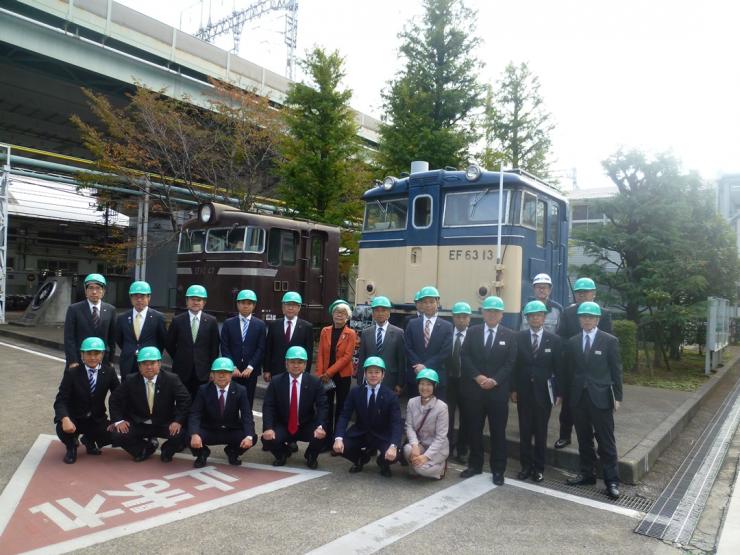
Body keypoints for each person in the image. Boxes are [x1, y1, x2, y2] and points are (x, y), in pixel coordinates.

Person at [564, 302, 623, 499]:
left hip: (602, 396)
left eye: (591, 316)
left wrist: (618, 397)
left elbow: (616, 371)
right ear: (579, 319)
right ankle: (587, 473)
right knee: (583, 437)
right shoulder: (573, 341)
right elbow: (570, 371)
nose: (587, 319)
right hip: (579, 396)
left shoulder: (609, 341)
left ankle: (612, 480)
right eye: (584, 316)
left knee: (606, 439)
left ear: (597, 319)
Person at [460, 296, 517, 486]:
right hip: (475, 390)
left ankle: (498, 470)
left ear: (502, 315)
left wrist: (495, 380)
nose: (492, 314)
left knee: (498, 432)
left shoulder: (510, 335)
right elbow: (464, 356)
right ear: (482, 313)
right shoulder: (473, 332)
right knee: (474, 430)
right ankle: (475, 464)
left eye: (496, 311)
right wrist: (478, 377)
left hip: (497, 392)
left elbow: (510, 363)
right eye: (488, 311)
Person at [555, 277, 613, 450]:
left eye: (585, 292)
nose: (582, 296)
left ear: (593, 294)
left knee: (595, 403)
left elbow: (608, 340)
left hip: (595, 368)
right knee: (568, 403)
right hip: (572, 365)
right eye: (579, 293)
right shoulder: (568, 312)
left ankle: (596, 437)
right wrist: (576, 345)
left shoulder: (604, 313)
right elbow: (561, 336)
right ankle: (565, 435)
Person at [109, 346, 191, 462]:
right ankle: (144, 449)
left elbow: (185, 400)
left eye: (152, 363)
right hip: (139, 422)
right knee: (116, 434)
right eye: (144, 364)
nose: (149, 367)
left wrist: (177, 421)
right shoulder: (130, 380)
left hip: (163, 422)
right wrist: (118, 421)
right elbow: (114, 400)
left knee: (181, 434)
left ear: (159, 364)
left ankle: (166, 451)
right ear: (139, 366)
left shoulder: (172, 379)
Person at [512, 300, 563, 482]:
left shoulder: (554, 340)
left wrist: (559, 393)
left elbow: (559, 368)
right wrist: (514, 389)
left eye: (539, 315)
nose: (535, 318)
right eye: (532, 315)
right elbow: (514, 366)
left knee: (541, 431)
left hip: (544, 392)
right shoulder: (518, 337)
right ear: (527, 318)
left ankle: (539, 468)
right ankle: (525, 466)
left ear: (544, 317)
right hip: (524, 391)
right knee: (525, 431)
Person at [53, 337, 120, 463]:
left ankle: (88, 440)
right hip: (75, 419)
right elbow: (60, 400)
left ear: (102, 354)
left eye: (97, 353)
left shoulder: (109, 372)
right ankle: (71, 446)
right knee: (62, 428)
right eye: (89, 353)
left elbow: (119, 396)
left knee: (118, 434)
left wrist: (119, 419)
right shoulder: (72, 373)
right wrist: (65, 418)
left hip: (96, 420)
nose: (93, 357)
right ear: (82, 354)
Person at [333, 357, 403, 477]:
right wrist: (338, 438)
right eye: (370, 372)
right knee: (340, 446)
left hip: (382, 434)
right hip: (361, 432)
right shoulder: (355, 392)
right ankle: (360, 459)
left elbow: (396, 423)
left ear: (383, 375)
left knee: (395, 454)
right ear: (365, 373)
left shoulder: (391, 396)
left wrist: (393, 446)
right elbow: (344, 415)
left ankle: (383, 462)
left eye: (377, 372)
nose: (373, 375)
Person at [261, 346, 328, 469]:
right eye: (292, 362)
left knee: (322, 434)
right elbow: (268, 406)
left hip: (305, 423)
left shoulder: (314, 382)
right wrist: (268, 428)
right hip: (284, 424)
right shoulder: (276, 381)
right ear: (286, 363)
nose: (296, 365)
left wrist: (320, 426)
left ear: (305, 364)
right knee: (267, 439)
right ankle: (282, 454)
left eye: (299, 362)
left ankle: (311, 456)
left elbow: (322, 406)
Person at [189, 357, 255, 468]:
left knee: (252, 436)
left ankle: (232, 452)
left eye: (225, 373)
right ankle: (202, 454)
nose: (221, 376)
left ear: (231, 374)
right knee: (189, 434)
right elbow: (195, 413)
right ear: (212, 374)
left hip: (230, 429)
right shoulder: (203, 390)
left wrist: (249, 436)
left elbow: (246, 415)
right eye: (218, 372)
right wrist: (194, 434)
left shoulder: (241, 390)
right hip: (209, 429)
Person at [165, 284, 220, 398]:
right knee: (182, 400)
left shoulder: (211, 321)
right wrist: (180, 356)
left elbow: (214, 347)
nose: (195, 302)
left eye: (199, 300)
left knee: (200, 402)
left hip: (203, 371)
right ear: (187, 301)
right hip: (182, 369)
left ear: (204, 302)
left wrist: (212, 370)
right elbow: (169, 344)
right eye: (192, 299)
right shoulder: (177, 320)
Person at [316, 300, 357, 443]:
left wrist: (329, 372)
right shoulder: (324, 331)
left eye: (343, 313)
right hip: (325, 376)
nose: (339, 315)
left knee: (341, 407)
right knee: (326, 407)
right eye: (337, 312)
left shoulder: (351, 333)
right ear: (332, 314)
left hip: (342, 376)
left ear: (348, 317)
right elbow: (320, 352)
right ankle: (325, 440)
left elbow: (347, 357)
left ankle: (337, 439)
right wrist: (320, 374)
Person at [220, 289, 267, 408]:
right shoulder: (228, 323)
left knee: (248, 401)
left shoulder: (260, 325)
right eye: (242, 302)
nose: (245, 306)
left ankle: (247, 425)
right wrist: (232, 366)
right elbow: (224, 346)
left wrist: (251, 367)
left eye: (249, 303)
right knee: (231, 401)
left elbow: (261, 348)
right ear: (237, 304)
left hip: (250, 371)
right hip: (232, 371)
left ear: (254, 305)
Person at [404, 286, 453, 400]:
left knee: (436, 413)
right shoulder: (412, 324)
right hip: (416, 376)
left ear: (438, 302)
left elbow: (445, 352)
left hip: (437, 377)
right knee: (415, 411)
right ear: (420, 304)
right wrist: (417, 365)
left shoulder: (447, 326)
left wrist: (425, 366)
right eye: (425, 302)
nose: (428, 305)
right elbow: (407, 347)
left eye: (431, 301)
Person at [403, 369, 449, 480]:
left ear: (435, 386)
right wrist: (414, 445)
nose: (424, 388)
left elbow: (441, 437)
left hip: (437, 448)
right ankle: (416, 467)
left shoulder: (442, 407)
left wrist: (426, 457)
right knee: (407, 449)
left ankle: (440, 468)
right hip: (421, 444)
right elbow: (409, 426)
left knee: (421, 468)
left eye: (429, 384)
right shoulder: (412, 402)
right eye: (422, 384)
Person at [115, 281, 167, 379]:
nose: (139, 300)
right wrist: (130, 349)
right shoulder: (122, 318)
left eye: (142, 297)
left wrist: (153, 354)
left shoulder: (158, 317)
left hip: (149, 362)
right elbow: (119, 339)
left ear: (149, 297)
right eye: (135, 296)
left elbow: (162, 341)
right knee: (128, 391)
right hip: (128, 362)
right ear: (131, 298)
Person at [63, 273, 116, 370]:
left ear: (103, 291)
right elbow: (69, 338)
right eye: (91, 288)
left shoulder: (110, 310)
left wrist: (111, 360)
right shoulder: (74, 309)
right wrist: (73, 361)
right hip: (79, 361)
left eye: (98, 288)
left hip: (102, 360)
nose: (94, 292)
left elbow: (112, 339)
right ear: (85, 291)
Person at [357, 296, 405, 394]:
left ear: (389, 313)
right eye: (377, 311)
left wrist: (400, 383)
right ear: (373, 313)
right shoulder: (366, 333)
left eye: (383, 310)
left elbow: (401, 360)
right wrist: (359, 381)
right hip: (370, 379)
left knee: (388, 407)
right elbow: (362, 358)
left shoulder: (398, 333)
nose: (380, 313)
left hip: (390, 379)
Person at [264, 291, 314, 382]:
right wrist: (266, 370)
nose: (290, 308)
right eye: (288, 305)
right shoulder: (274, 325)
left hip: (297, 371)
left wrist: (306, 373)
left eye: (294, 305)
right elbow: (268, 349)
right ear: (283, 307)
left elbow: (308, 352)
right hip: (276, 371)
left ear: (299, 308)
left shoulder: (307, 327)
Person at [446, 301, 471, 463]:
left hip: (467, 382)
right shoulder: (447, 334)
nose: (461, 320)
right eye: (458, 317)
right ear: (453, 318)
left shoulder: (474, 335)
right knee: (446, 416)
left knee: (466, 417)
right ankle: (445, 448)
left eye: (464, 317)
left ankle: (462, 449)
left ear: (469, 319)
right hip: (449, 381)